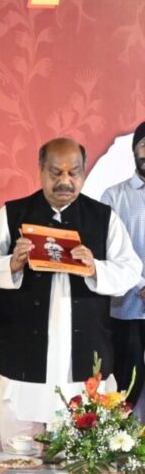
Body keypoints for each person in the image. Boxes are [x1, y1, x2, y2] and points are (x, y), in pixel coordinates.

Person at [0, 137, 142, 442]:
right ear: (40, 170)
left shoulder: (103, 218)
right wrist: (12, 263)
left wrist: (95, 268)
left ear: (84, 173)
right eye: (55, 172)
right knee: (20, 453)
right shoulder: (13, 214)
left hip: (84, 364)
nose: (65, 181)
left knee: (79, 458)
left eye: (73, 172)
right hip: (23, 362)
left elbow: (130, 270)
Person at [101, 122, 145, 408]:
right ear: (134, 150)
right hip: (127, 307)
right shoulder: (113, 196)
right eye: (144, 146)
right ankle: (122, 437)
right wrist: (140, 284)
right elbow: (106, 248)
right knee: (126, 387)